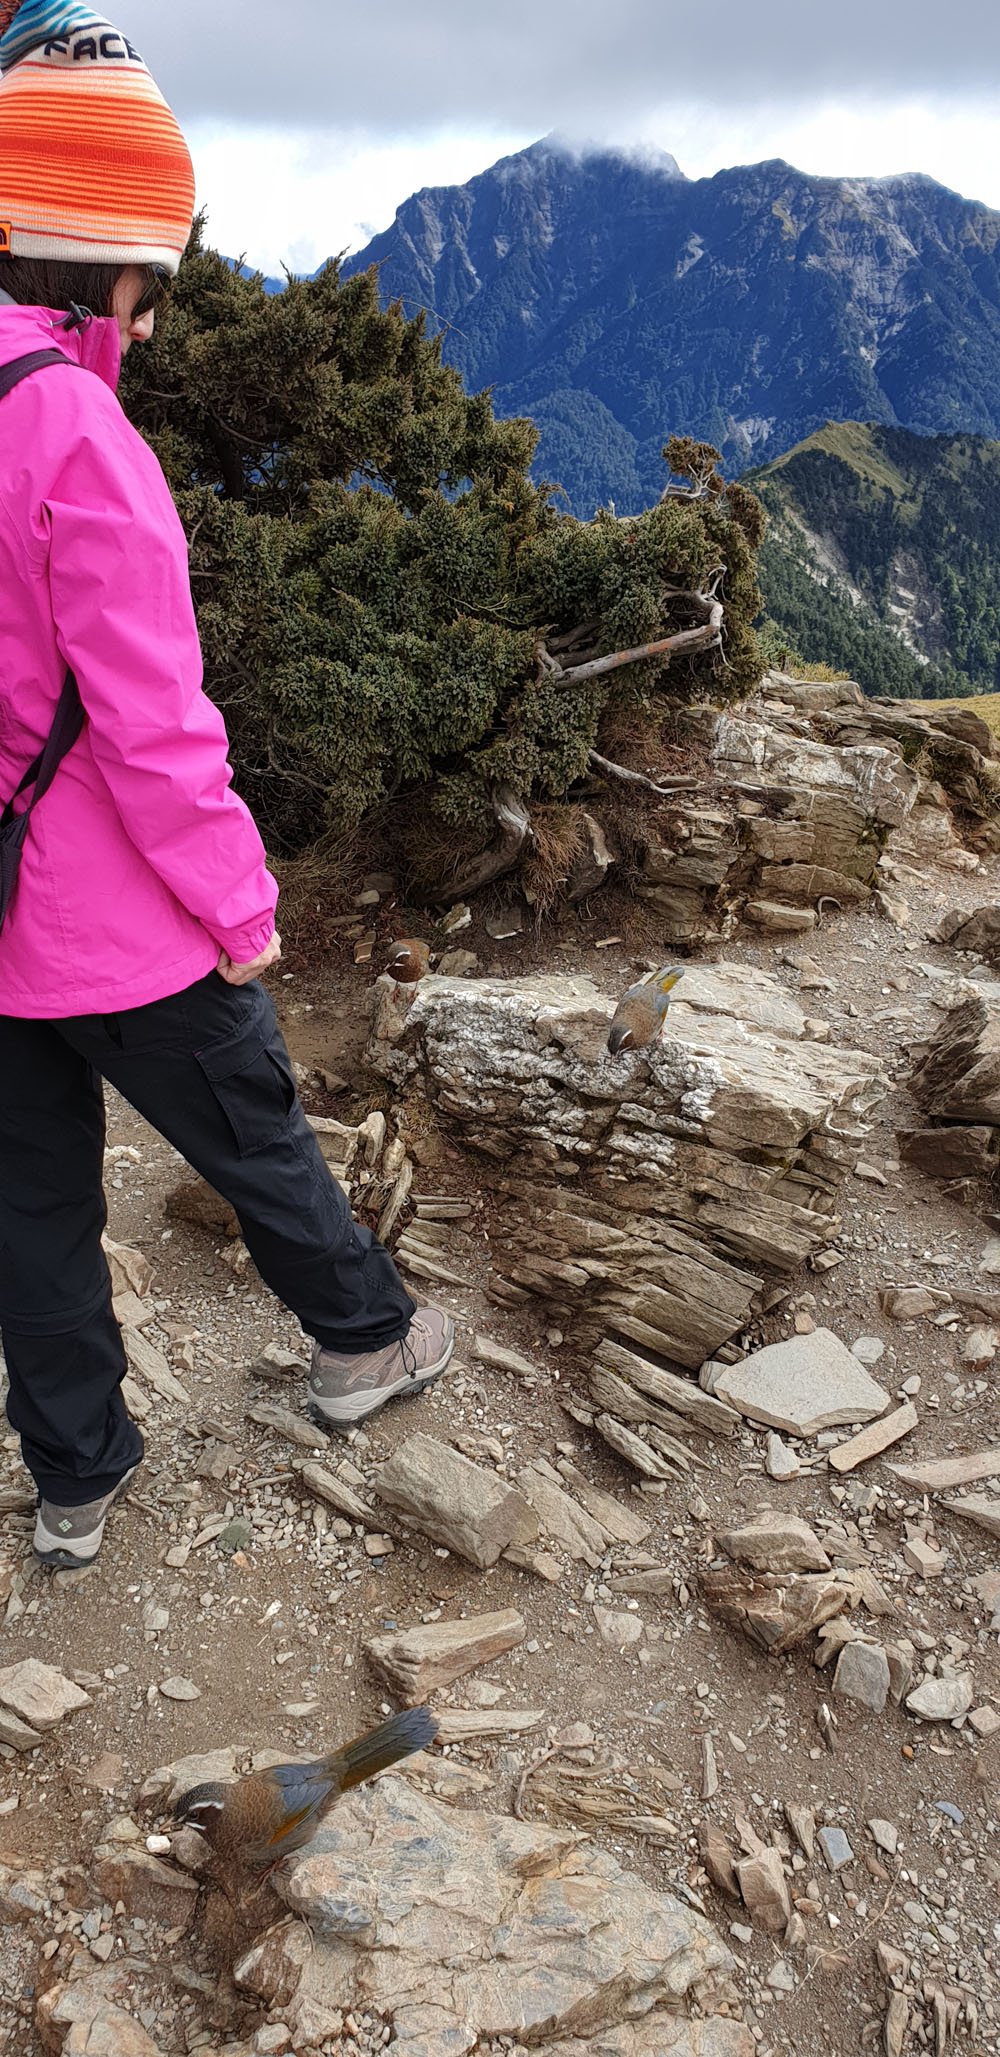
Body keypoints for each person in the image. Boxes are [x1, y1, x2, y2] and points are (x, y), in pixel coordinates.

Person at [0, 0, 453, 1572]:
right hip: (109, 915)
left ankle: (74, 1478)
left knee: (31, 1207)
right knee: (254, 1128)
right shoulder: (75, 433)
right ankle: (365, 1345)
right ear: (110, 252)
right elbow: (154, 725)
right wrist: (243, 907)